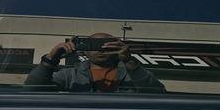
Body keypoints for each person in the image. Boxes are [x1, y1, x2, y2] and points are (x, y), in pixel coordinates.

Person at [23, 32, 165, 93]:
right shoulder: (70, 74)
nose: (100, 49)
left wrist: (129, 61)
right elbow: (32, 89)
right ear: (84, 51)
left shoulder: (133, 72)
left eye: (105, 44)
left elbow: (157, 93)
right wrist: (50, 60)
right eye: (94, 45)